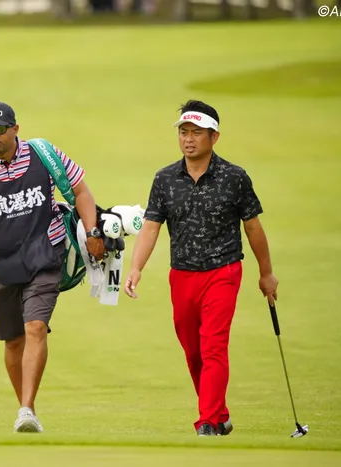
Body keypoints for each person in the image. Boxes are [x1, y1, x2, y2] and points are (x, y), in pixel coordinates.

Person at [0, 101, 105, 433]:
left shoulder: (44, 155)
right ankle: (26, 408)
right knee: (13, 340)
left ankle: (27, 410)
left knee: (35, 328)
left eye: (0, 129)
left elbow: (81, 192)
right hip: (0, 261)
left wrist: (93, 232)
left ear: (15, 129)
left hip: (46, 253)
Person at [124, 100, 279, 436]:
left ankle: (207, 421)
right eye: (184, 132)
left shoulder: (235, 178)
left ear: (214, 137)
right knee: (193, 351)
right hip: (181, 274)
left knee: (213, 346)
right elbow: (151, 226)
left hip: (223, 271)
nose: (189, 139)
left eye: (197, 133)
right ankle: (219, 414)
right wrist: (136, 268)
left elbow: (253, 227)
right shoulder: (165, 178)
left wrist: (266, 272)